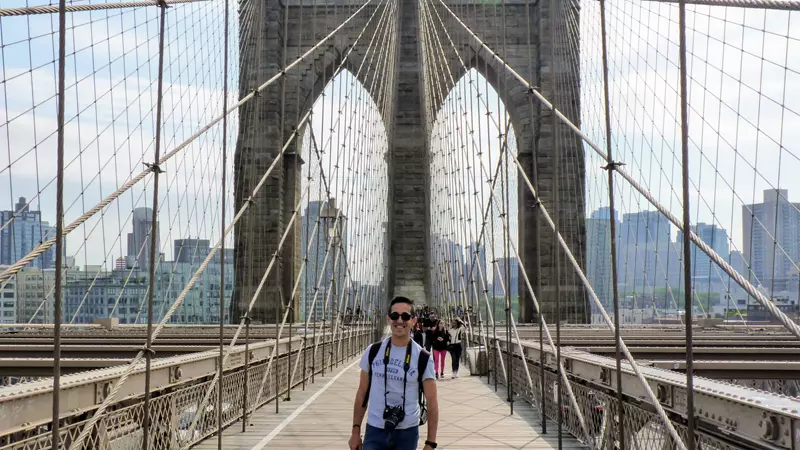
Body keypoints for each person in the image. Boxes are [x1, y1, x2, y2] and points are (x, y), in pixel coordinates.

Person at [349, 297, 439, 450]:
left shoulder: (423, 358)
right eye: (394, 316)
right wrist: (356, 430)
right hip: (375, 429)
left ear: (413, 320)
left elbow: (432, 402)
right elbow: (362, 393)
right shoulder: (373, 351)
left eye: (405, 316)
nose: (399, 320)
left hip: (407, 432)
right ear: (388, 319)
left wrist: (430, 443)